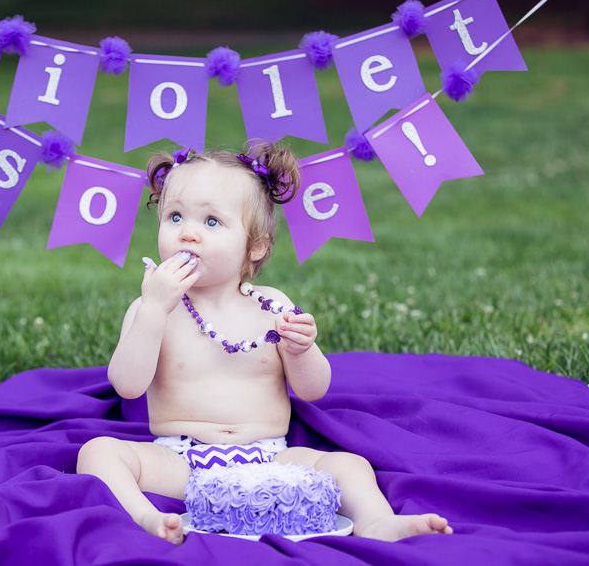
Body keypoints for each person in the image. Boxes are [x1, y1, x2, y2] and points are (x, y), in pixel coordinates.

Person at [77, 143, 452, 544]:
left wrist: (301, 350)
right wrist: (153, 310)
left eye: (211, 221)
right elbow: (127, 385)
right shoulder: (152, 307)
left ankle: (376, 522)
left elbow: (313, 389)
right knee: (98, 453)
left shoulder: (271, 305)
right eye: (175, 216)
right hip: (181, 459)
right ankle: (147, 517)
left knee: (351, 465)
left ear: (255, 246)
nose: (188, 232)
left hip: (271, 457)